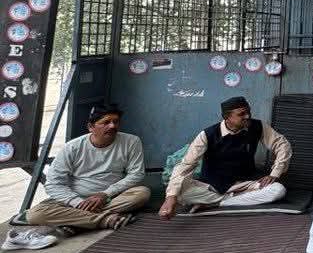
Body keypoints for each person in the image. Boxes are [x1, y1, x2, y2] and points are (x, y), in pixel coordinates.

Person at [25, 104, 149, 232]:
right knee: (35, 214)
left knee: (142, 193)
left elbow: (136, 174)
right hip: (76, 199)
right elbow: (53, 184)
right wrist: (77, 202)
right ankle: (105, 219)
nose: (112, 126)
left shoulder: (131, 141)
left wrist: (105, 194)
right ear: (91, 127)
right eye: (106, 122)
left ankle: (78, 222)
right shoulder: (72, 147)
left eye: (115, 122)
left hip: (111, 197)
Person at [161, 97, 290, 217]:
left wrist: (275, 173)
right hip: (211, 187)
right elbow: (185, 166)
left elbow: (282, 144)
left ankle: (215, 203)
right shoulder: (207, 134)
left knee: (278, 190)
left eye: (248, 112)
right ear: (227, 117)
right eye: (241, 114)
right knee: (180, 193)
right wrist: (170, 198)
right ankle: (230, 200)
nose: (248, 116)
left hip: (244, 184)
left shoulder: (257, 126)